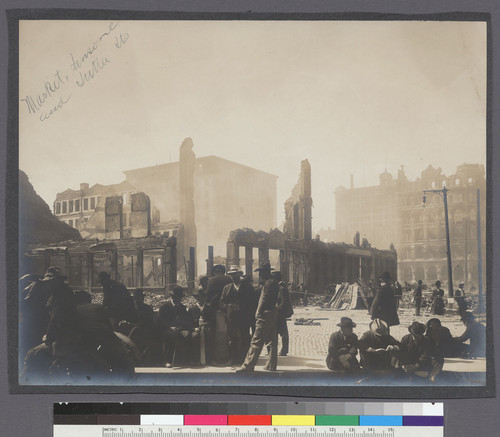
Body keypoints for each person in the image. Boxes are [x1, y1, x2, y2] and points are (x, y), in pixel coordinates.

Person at [236, 262, 280, 373]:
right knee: (271, 340)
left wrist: (258, 313)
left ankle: (248, 365)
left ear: (265, 272)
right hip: (272, 313)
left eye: (261, 272)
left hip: (264, 314)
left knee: (256, 341)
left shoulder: (268, 283)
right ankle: (271, 364)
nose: (260, 275)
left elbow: (264, 300)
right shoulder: (274, 282)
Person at [220, 266, 256, 365]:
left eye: (234, 275)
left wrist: (244, 308)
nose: (232, 277)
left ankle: (244, 358)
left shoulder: (248, 287)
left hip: (244, 317)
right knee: (231, 338)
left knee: (245, 337)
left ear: (239, 275)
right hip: (231, 318)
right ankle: (233, 358)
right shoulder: (227, 288)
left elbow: (253, 302)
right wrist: (229, 307)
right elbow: (222, 303)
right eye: (231, 275)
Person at [158, 286, 199, 368]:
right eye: (177, 297)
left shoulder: (182, 308)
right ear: (173, 297)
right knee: (170, 335)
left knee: (191, 335)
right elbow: (160, 322)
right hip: (166, 330)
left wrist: (186, 330)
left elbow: (187, 321)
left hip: (180, 330)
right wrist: (170, 327)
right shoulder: (164, 307)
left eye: (180, 298)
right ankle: (167, 360)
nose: (179, 300)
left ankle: (188, 359)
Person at [275, 272, 293, 356]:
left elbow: (284, 302)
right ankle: (284, 350)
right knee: (283, 332)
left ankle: (284, 350)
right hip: (281, 313)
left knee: (283, 332)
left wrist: (277, 310)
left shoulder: (281, 288)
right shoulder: (281, 287)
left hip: (280, 314)